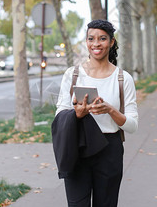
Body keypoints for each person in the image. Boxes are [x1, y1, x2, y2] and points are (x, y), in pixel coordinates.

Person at [53, 19, 138, 207]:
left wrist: (110, 110)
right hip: (78, 148)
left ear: (111, 42)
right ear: (86, 42)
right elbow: (60, 114)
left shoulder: (123, 79)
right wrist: (78, 114)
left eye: (102, 39)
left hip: (110, 149)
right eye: (91, 39)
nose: (96, 44)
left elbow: (132, 125)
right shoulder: (73, 74)